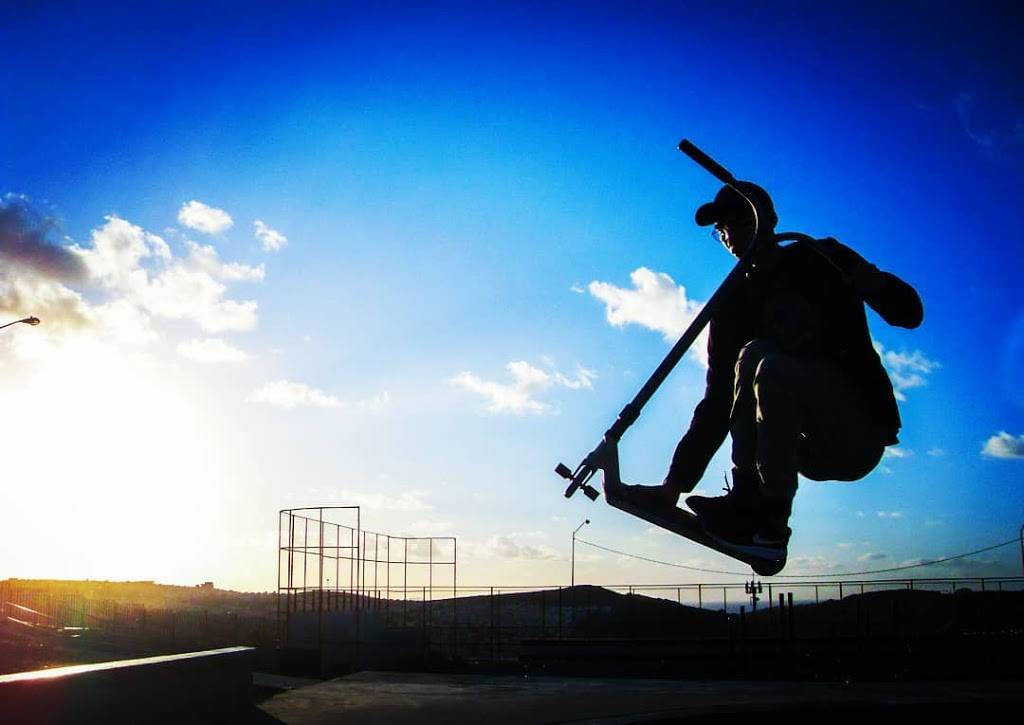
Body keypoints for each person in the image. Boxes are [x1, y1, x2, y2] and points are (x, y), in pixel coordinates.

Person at [621, 181, 923, 562]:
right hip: (806, 448)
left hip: (857, 431)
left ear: (768, 221)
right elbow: (718, 402)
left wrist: (875, 283)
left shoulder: (819, 257)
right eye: (723, 229)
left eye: (739, 221)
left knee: (768, 362)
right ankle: (748, 501)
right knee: (755, 356)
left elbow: (909, 313)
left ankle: (771, 525)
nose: (730, 234)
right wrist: (673, 487)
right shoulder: (731, 304)